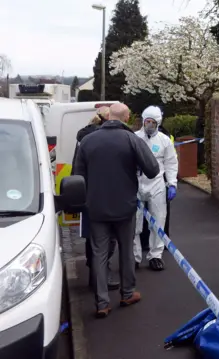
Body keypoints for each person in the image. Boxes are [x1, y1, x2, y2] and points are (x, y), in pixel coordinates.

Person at [73, 103, 160, 318]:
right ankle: (127, 292)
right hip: (125, 206)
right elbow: (153, 170)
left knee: (99, 253)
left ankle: (101, 302)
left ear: (108, 116)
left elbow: (77, 175)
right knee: (126, 250)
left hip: (96, 208)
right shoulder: (132, 140)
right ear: (127, 117)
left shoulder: (87, 141)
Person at [71, 107, 119, 291]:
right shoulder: (101, 138)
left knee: (92, 237)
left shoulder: (84, 137)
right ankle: (101, 275)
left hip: (85, 192)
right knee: (107, 238)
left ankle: (94, 273)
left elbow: (78, 167)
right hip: (104, 193)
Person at [132, 106, 178, 271]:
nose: (149, 124)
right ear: (143, 121)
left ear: (158, 123)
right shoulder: (134, 138)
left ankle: (155, 255)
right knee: (134, 223)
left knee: (158, 221)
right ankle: (135, 257)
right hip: (136, 183)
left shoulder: (164, 140)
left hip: (157, 183)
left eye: (153, 122)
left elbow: (171, 163)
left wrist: (172, 183)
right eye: (147, 121)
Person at [140, 123, 174, 251]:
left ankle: (158, 243)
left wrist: (172, 183)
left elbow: (170, 160)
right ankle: (148, 242)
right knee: (148, 214)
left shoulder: (164, 137)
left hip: (159, 178)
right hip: (149, 178)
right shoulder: (139, 136)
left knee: (159, 214)